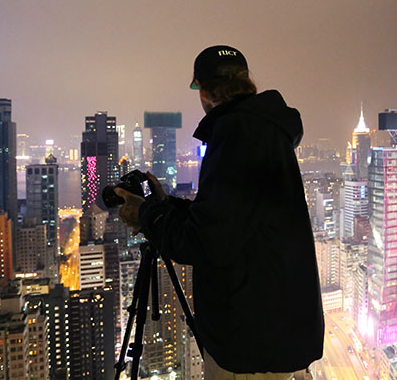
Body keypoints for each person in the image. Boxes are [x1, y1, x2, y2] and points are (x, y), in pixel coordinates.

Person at [115, 45, 324, 380]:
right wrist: (168, 205)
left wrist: (147, 214)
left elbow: (207, 241)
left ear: (204, 90)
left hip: (250, 341)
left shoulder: (237, 132)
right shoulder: (265, 130)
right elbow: (235, 218)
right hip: (275, 327)